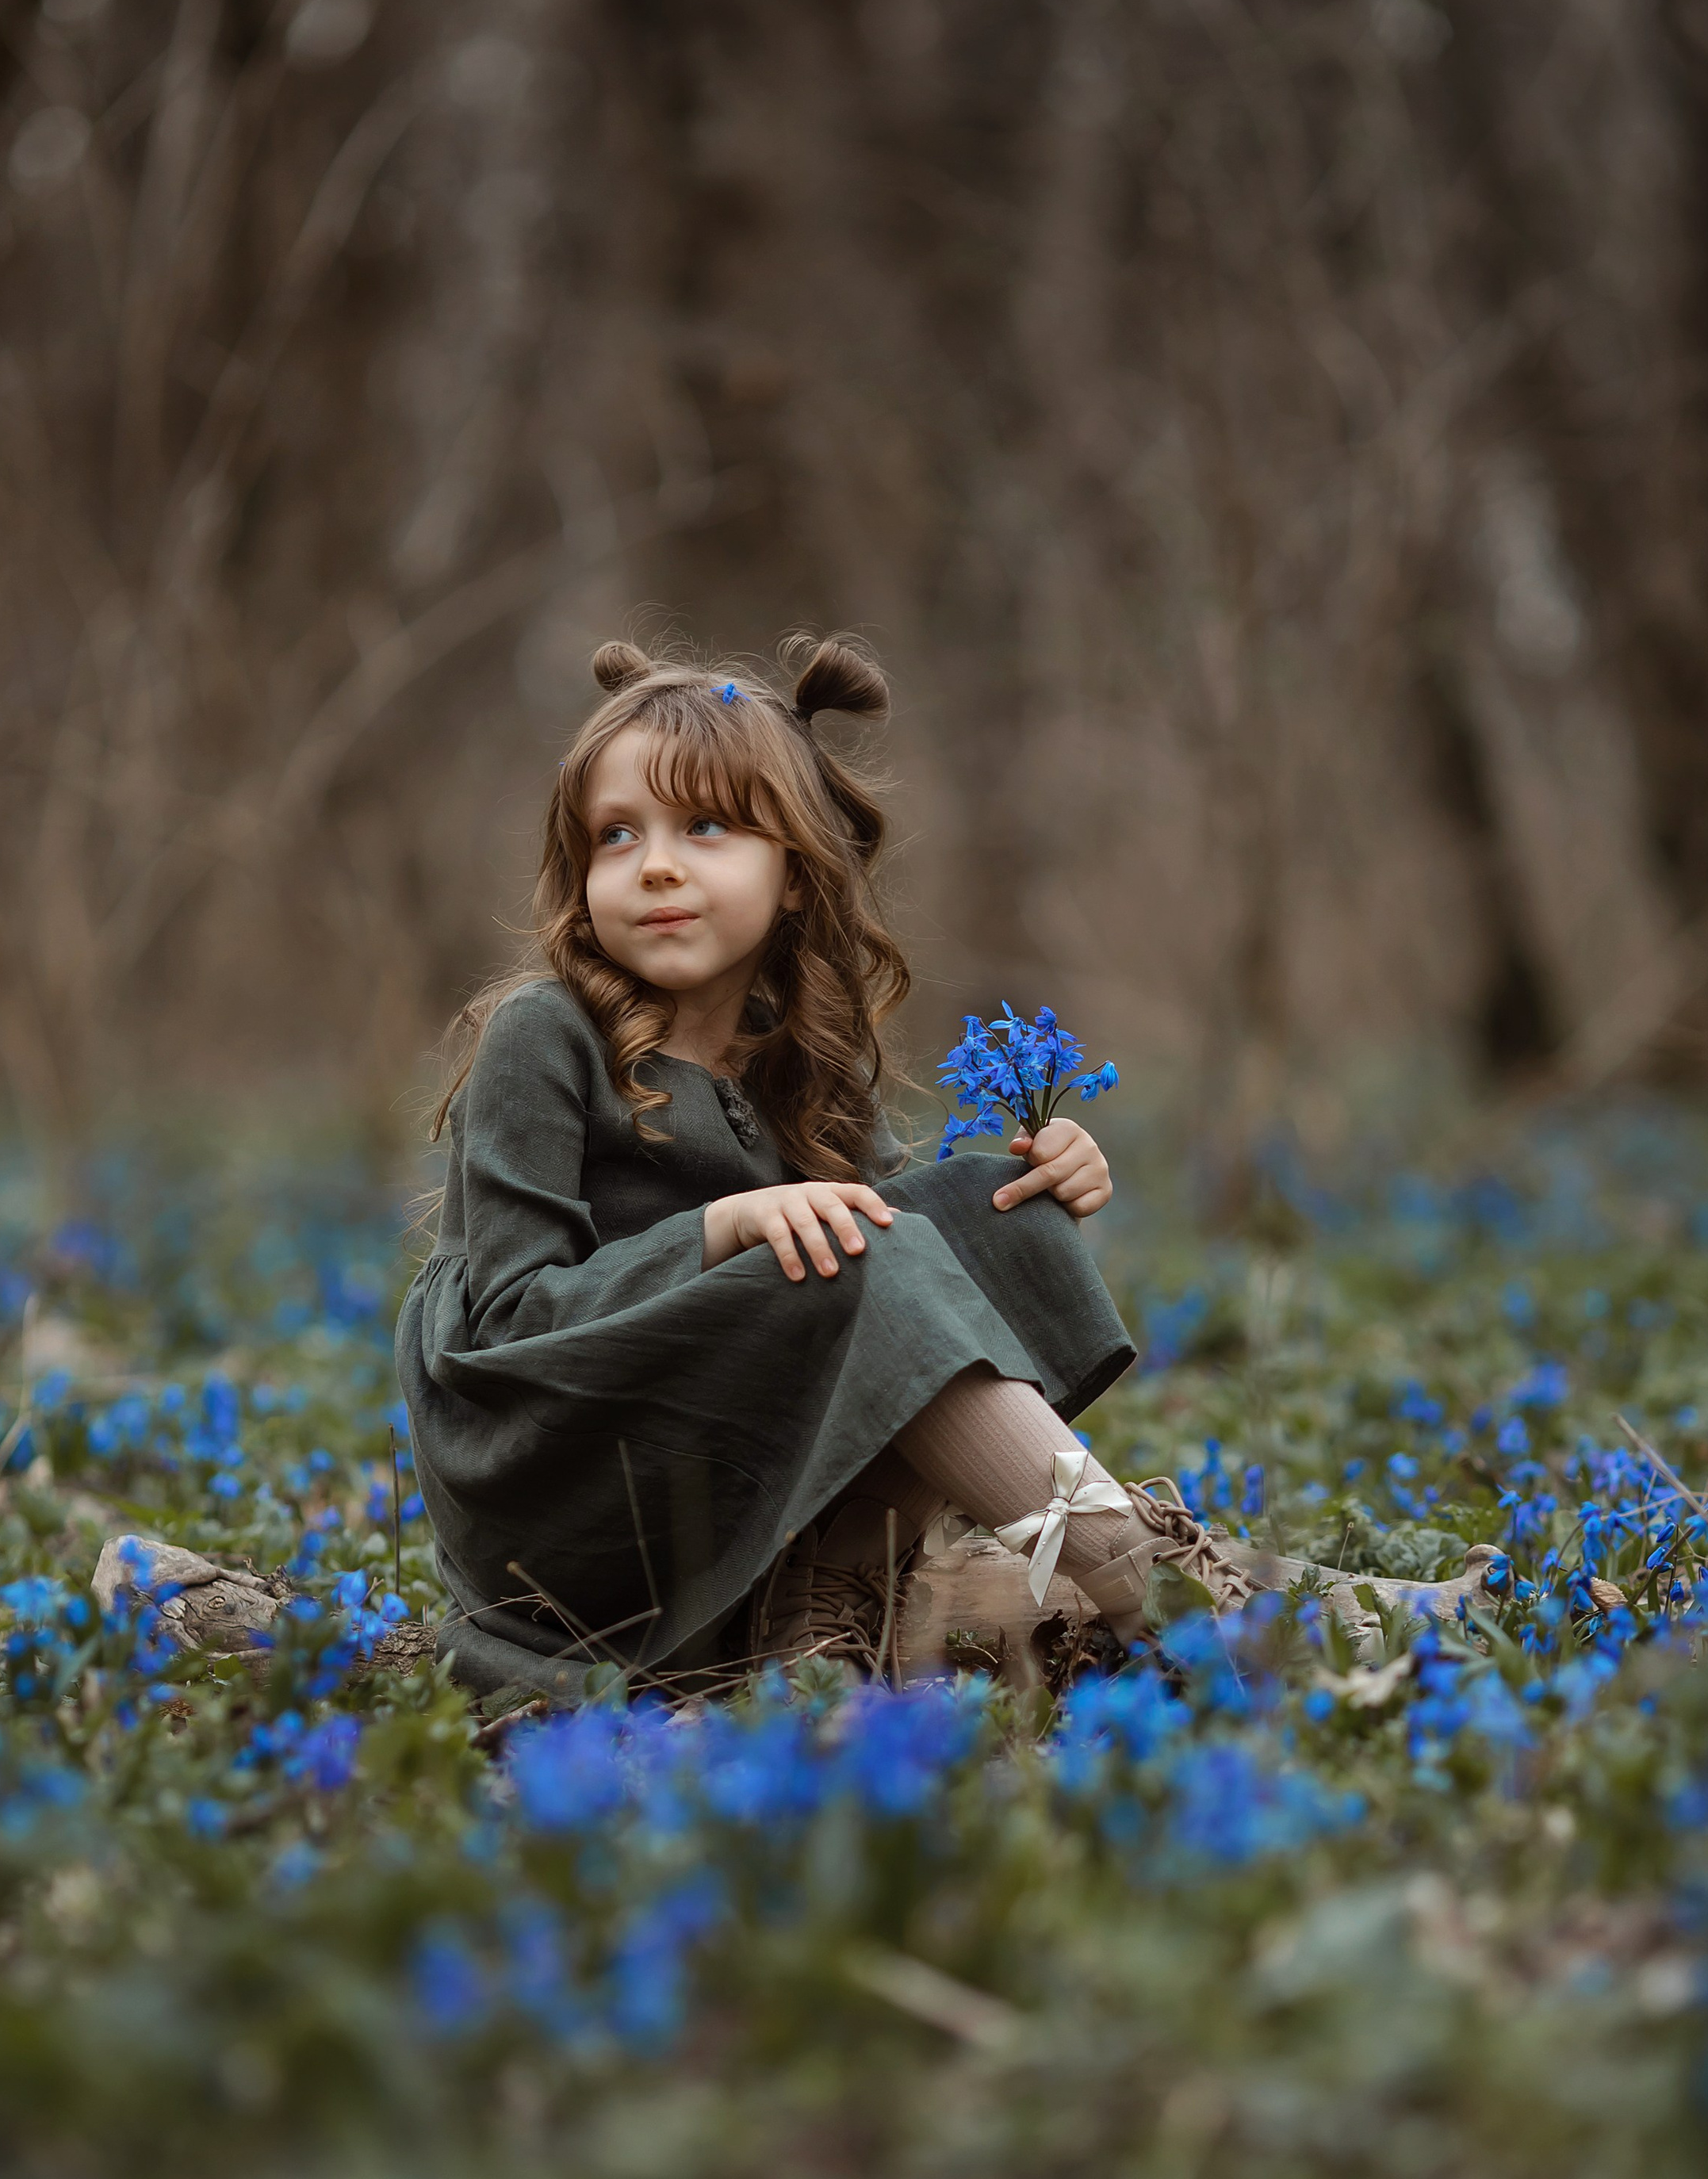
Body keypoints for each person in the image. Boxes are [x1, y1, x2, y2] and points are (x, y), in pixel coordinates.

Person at [396, 634, 1493, 1701]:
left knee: (982, 1207)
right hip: (564, 1510)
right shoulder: (548, 1037)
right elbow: (505, 1327)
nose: (658, 865)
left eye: (709, 827)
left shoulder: (795, 1055)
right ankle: (1171, 1579)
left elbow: (920, 1272)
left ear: (792, 876)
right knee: (865, 1248)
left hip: (734, 1496)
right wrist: (720, 1231)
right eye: (616, 837)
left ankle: (826, 1608)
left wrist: (1046, 1178)